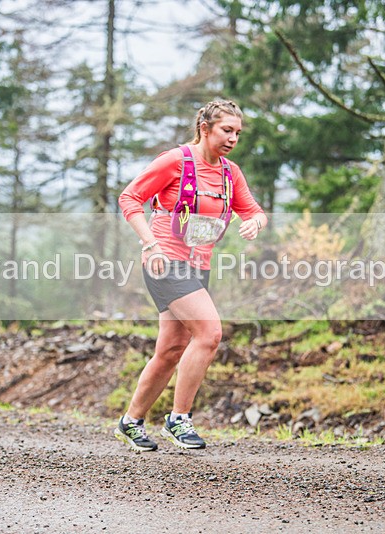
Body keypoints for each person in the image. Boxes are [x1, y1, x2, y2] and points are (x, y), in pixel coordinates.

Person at [114, 99, 267, 451]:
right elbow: (130, 198)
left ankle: (131, 421)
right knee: (210, 333)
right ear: (205, 128)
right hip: (165, 261)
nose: (233, 139)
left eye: (238, 133)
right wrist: (150, 243)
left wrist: (256, 223)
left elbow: (253, 210)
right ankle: (178, 418)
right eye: (226, 131)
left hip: (199, 266)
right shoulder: (176, 161)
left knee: (171, 349)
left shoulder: (230, 172)